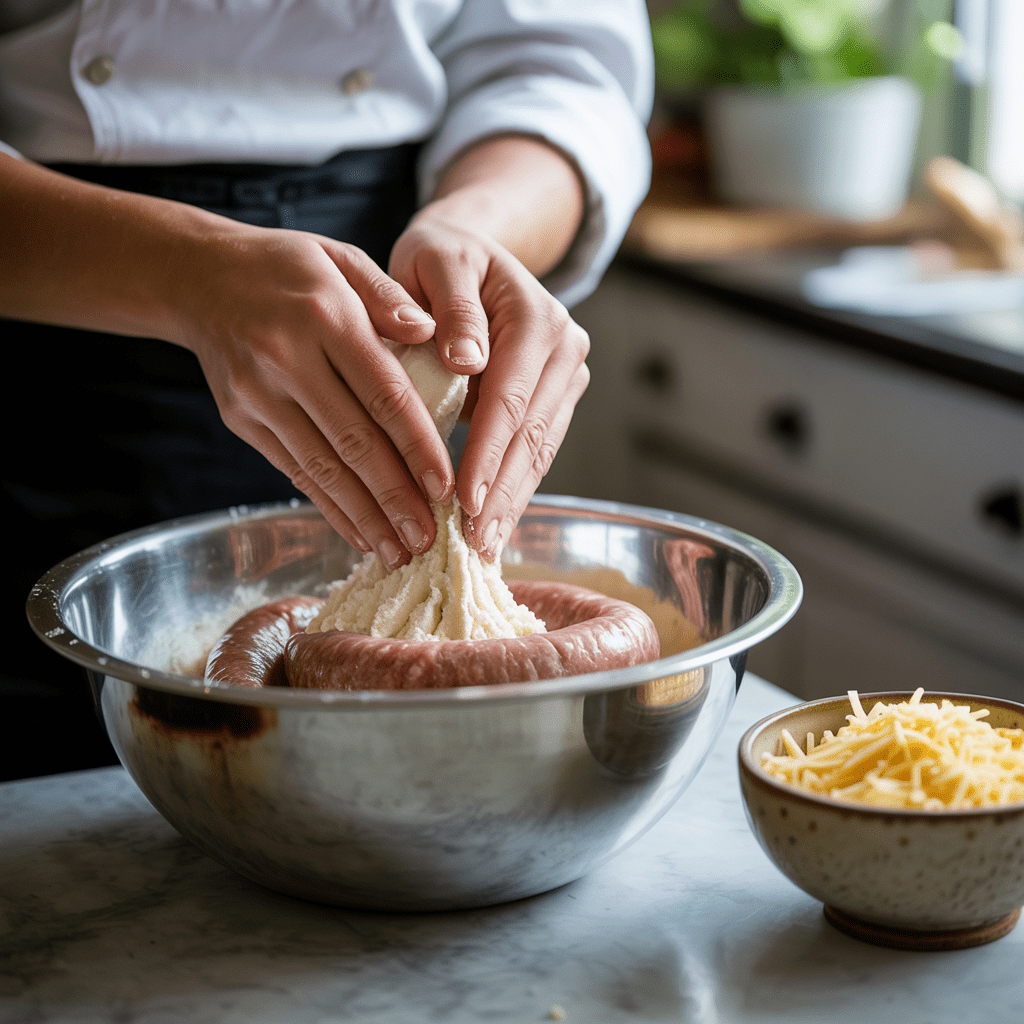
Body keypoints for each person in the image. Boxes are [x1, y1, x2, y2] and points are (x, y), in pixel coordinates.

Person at [0, 0, 654, 779]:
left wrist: (480, 231)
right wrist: (186, 274)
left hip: (387, 272)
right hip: (43, 306)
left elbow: (555, 65)